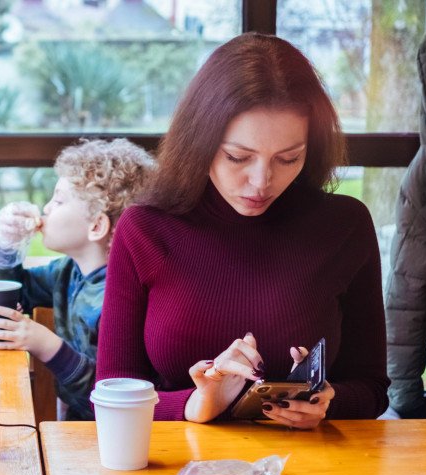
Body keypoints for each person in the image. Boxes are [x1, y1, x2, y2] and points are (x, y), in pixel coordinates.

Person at [95, 32, 389, 428]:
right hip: (173, 472)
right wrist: (195, 404)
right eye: (238, 157)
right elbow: (112, 392)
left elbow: (371, 387)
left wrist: (327, 402)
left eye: (288, 159)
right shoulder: (146, 229)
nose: (261, 182)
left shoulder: (344, 225)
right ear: (199, 142)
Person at [0, 138, 155, 420]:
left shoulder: (117, 300)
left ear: (97, 226)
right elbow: (16, 295)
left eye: (59, 200)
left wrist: (46, 345)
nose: (46, 208)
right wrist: (7, 244)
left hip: (112, 434)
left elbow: (111, 401)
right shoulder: (67, 271)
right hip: (76, 424)